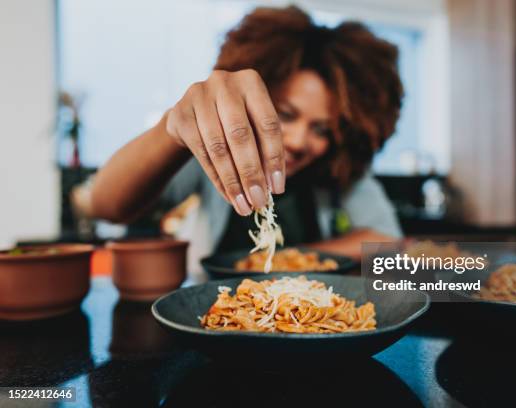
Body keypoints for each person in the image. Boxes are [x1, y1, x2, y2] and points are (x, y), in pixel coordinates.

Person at [82, 6, 404, 275]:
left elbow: (387, 240)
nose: (297, 141)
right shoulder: (216, 150)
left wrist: (285, 259)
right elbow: (105, 204)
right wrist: (171, 129)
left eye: (321, 130)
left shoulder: (338, 168)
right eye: (286, 114)